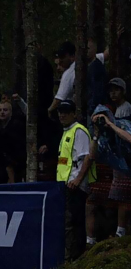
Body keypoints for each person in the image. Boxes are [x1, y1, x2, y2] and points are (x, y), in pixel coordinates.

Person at [56, 100, 97, 259]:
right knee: (69, 221)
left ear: (74, 114)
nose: (62, 115)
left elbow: (87, 157)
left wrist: (78, 180)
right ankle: (71, 254)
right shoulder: (67, 131)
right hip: (66, 184)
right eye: (60, 112)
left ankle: (76, 256)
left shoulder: (78, 131)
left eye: (66, 112)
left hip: (75, 185)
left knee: (75, 222)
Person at [92, 111, 131, 238]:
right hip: (121, 169)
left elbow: (129, 138)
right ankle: (119, 232)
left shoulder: (122, 124)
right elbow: (92, 155)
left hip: (127, 163)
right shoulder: (103, 135)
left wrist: (111, 124)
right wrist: (96, 135)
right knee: (119, 200)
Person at [49, 42, 76, 118]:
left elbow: (59, 99)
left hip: (70, 111)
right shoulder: (85, 63)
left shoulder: (69, 73)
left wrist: (49, 110)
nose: (61, 60)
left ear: (72, 56)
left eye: (63, 57)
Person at [86, 38, 110, 119]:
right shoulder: (87, 65)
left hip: (95, 109)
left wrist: (92, 109)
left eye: (88, 48)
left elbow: (97, 90)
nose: (86, 51)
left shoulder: (96, 67)